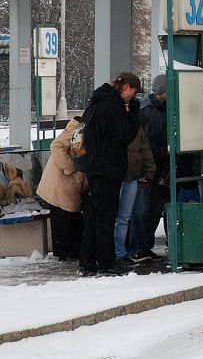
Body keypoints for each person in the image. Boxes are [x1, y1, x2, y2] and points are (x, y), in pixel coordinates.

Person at [79, 71, 143, 277]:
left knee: (93, 215)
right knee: (106, 217)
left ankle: (87, 262)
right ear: (127, 88)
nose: (133, 97)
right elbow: (125, 135)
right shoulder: (113, 105)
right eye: (133, 92)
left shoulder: (97, 102)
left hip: (94, 166)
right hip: (108, 168)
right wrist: (133, 111)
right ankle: (106, 262)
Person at [36, 117, 88, 261]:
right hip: (62, 182)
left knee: (68, 220)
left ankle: (68, 252)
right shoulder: (77, 127)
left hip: (68, 184)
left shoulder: (82, 127)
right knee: (65, 220)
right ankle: (66, 253)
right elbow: (56, 146)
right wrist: (71, 167)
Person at [137, 74, 169, 263]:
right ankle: (139, 247)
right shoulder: (146, 110)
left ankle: (145, 246)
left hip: (160, 167)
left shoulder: (161, 108)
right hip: (148, 168)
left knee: (155, 208)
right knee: (144, 209)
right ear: (161, 91)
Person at [114, 121, 155, 265]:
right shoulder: (113, 119)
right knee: (118, 217)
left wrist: (148, 171)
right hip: (117, 175)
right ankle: (115, 252)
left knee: (124, 217)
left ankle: (120, 253)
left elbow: (144, 148)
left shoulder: (135, 123)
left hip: (131, 175)